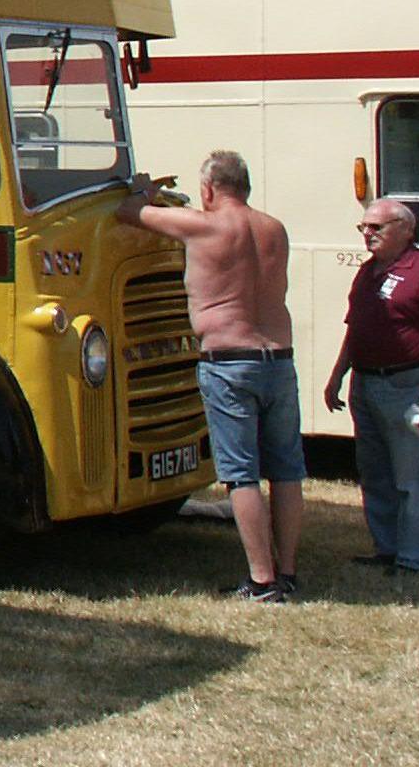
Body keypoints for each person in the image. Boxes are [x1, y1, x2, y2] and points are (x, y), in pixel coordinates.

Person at [120, 150, 302, 601]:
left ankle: (262, 579)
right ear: (247, 185)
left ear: (208, 189)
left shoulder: (201, 225)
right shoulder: (274, 228)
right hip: (278, 357)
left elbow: (129, 212)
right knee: (287, 469)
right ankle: (290, 570)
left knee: (242, 474)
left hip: (229, 359)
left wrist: (146, 190)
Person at [323, 198, 419, 575]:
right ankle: (387, 548)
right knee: (375, 471)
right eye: (363, 227)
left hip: (408, 384)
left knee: (414, 476)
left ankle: (417, 558)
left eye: (376, 228)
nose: (367, 234)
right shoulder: (367, 273)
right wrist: (338, 374)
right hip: (366, 383)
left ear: (405, 230)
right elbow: (355, 328)